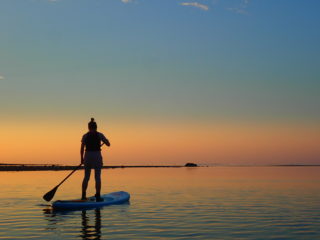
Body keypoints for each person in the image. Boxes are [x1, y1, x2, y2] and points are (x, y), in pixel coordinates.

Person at [81, 118, 110, 201]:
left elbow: (82, 148)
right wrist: (106, 141)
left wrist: (81, 159)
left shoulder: (85, 135)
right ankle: (98, 195)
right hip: (97, 155)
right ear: (96, 127)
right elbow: (108, 144)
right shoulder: (100, 135)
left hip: (87, 156)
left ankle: (83, 195)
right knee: (97, 177)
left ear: (88, 127)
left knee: (86, 177)